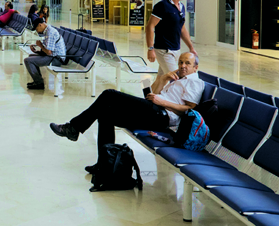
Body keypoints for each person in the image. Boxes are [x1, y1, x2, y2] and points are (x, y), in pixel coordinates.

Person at [49, 52, 204, 174]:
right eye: (180, 62)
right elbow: (152, 95)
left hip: (162, 116)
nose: (183, 66)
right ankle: (105, 164)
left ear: (195, 67)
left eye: (187, 63)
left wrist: (163, 102)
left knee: (110, 94)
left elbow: (189, 109)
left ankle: (73, 128)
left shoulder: (195, 82)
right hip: (154, 110)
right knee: (106, 114)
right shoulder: (177, 79)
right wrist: (163, 79)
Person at [146, 0, 197, 77]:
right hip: (164, 50)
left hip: (176, 50)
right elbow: (150, 27)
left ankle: (151, 93)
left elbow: (182, 28)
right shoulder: (162, 6)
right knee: (176, 77)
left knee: (161, 80)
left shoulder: (181, 7)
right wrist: (150, 48)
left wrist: (191, 47)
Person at [24, 18, 66, 90]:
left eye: (37, 29)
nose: (37, 31)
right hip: (53, 55)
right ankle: (38, 81)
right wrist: (37, 49)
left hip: (57, 58)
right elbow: (47, 49)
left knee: (28, 60)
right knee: (30, 56)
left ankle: (39, 83)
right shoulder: (47, 31)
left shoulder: (50, 32)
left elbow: (49, 52)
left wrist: (40, 45)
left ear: (40, 25)